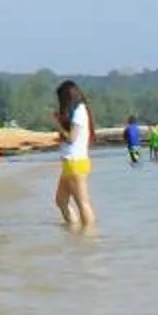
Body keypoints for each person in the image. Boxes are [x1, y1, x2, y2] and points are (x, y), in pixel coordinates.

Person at [52, 79, 97, 231]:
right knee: (61, 200)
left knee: (82, 202)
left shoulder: (79, 112)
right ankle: (74, 228)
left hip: (75, 162)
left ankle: (89, 235)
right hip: (70, 163)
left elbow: (71, 138)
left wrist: (57, 123)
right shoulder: (78, 112)